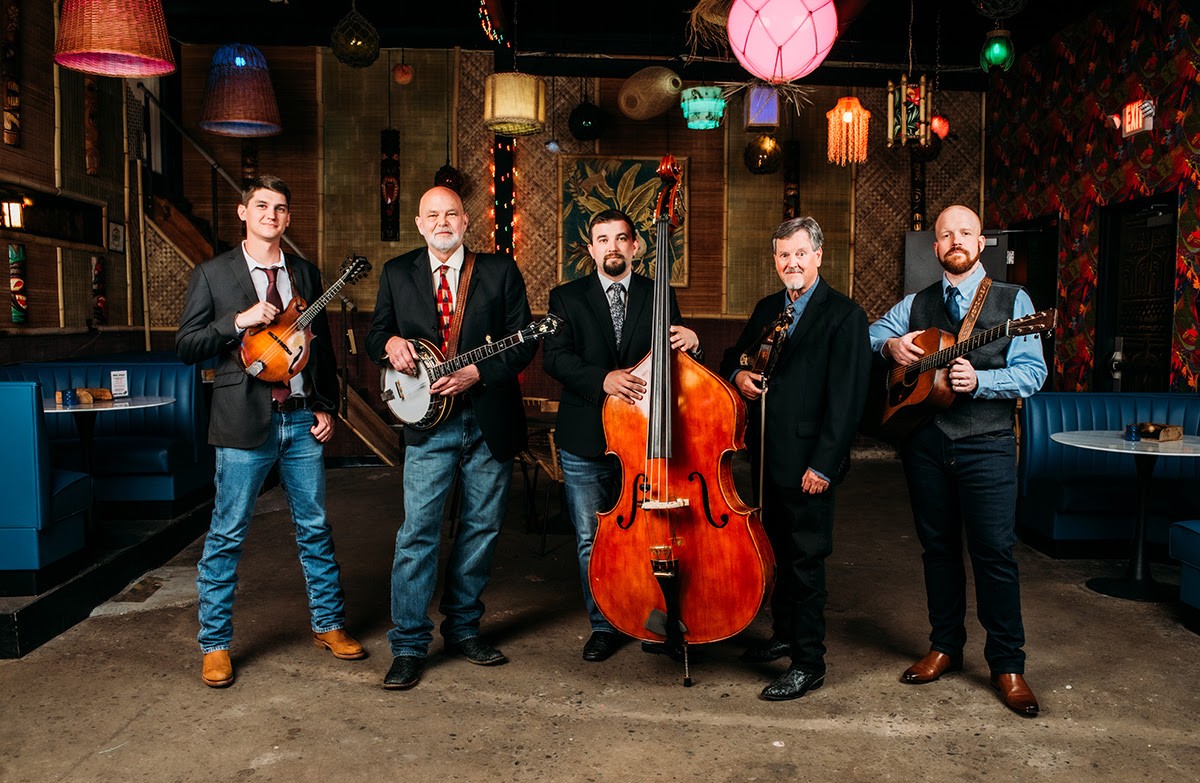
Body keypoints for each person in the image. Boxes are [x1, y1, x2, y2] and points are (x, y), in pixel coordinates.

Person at [176, 174, 365, 688]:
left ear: (287, 216)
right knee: (227, 533)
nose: (271, 215)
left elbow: (318, 348)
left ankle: (328, 625)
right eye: (262, 205)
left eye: (281, 208)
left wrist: (325, 405)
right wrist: (236, 321)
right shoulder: (213, 275)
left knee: (316, 528)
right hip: (242, 423)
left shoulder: (304, 272)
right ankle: (214, 644)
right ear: (243, 212)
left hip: (301, 419)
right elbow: (186, 345)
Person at [868, 204, 1047, 717]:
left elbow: (1033, 374)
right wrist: (894, 347)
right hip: (925, 443)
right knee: (937, 549)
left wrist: (983, 382)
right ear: (936, 247)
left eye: (965, 233)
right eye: (946, 235)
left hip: (986, 444)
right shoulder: (919, 302)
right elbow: (872, 332)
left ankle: (1008, 664)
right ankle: (945, 645)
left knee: (994, 552)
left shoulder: (1015, 300)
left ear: (982, 241)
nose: (955, 241)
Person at [367, 185, 537, 690]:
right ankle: (409, 646)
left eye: (452, 214)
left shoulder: (500, 271)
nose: (442, 222)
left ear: (467, 222)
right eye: (432, 215)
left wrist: (478, 374)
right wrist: (391, 342)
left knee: (480, 530)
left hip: (489, 419)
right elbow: (377, 334)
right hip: (428, 426)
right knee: (416, 534)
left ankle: (463, 630)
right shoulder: (398, 273)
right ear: (420, 224)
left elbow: (523, 339)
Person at [720, 216, 870, 701]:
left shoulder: (845, 315)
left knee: (806, 563)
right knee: (775, 554)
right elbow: (733, 360)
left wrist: (825, 465)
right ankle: (782, 635)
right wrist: (741, 375)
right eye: (784, 255)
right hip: (765, 458)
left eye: (800, 253)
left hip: (810, 464)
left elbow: (849, 400)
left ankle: (809, 663)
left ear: (819, 256)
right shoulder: (768, 307)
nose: (792, 262)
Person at [543, 208, 700, 663]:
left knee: (649, 531)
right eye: (602, 239)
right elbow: (554, 358)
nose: (612, 246)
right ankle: (604, 624)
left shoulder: (659, 293)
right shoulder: (566, 297)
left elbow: (678, 361)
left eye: (620, 238)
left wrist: (693, 340)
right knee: (593, 538)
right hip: (586, 435)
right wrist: (602, 379)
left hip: (645, 437)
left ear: (635, 246)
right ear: (590, 249)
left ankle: (654, 618)